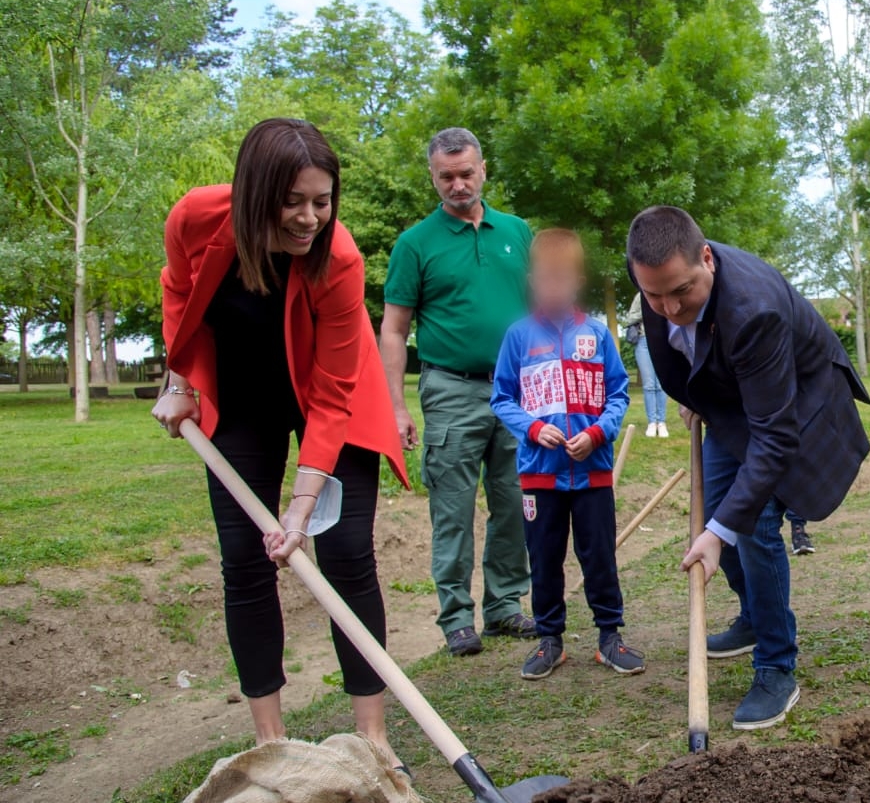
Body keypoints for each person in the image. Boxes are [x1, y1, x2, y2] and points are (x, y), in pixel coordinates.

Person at [153, 118, 407, 770]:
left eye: (322, 201)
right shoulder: (194, 219)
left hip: (334, 395)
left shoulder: (339, 256)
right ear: (253, 190)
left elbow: (330, 397)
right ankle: (270, 743)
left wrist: (301, 506)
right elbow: (179, 291)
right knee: (244, 559)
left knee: (346, 552)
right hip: (242, 397)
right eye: (292, 201)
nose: (308, 218)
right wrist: (181, 380)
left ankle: (371, 737)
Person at [628, 205, 870, 729]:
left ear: (707, 260)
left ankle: (777, 666)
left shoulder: (754, 308)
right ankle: (754, 618)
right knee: (721, 513)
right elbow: (679, 343)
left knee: (749, 525)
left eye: (681, 292)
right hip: (730, 403)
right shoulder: (653, 275)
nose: (668, 307)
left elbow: (775, 436)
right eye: (655, 295)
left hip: (796, 403)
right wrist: (695, 388)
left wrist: (719, 533)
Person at [380, 128, 537, 657]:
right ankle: (456, 616)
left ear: (483, 169)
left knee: (515, 501)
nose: (458, 184)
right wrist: (396, 405)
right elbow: (394, 329)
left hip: (517, 389)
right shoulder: (415, 244)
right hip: (450, 389)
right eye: (446, 176)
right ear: (433, 177)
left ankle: (504, 606)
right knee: (452, 508)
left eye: (466, 173)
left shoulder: (517, 232)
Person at [490, 229, 643, 681]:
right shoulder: (518, 337)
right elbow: (502, 399)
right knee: (544, 557)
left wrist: (598, 433)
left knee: (599, 555)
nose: (554, 287)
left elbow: (618, 394)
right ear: (533, 281)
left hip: (592, 475)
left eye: (564, 279)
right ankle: (549, 639)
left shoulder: (596, 335)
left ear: (578, 282)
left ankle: (610, 636)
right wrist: (535, 429)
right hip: (540, 477)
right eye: (545, 279)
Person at [624, 291, 670, 438]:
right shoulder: (640, 296)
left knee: (661, 385)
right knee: (649, 384)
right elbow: (630, 318)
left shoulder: (666, 291)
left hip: (662, 340)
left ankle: (661, 422)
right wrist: (648, 310)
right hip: (643, 341)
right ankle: (652, 422)